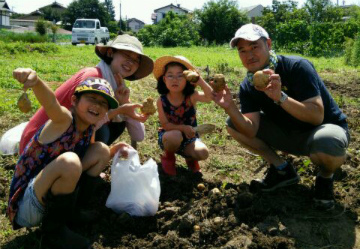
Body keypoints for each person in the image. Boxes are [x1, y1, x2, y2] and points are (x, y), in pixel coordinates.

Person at [213, 23, 350, 210]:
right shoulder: (248, 86)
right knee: (233, 123)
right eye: (242, 50)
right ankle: (282, 170)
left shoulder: (296, 67)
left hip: (320, 131)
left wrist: (280, 98)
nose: (249, 55)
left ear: (268, 44)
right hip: (289, 135)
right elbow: (250, 129)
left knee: (329, 142)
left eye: (254, 47)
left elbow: (317, 116)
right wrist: (229, 107)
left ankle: (325, 178)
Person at [8, 70, 136, 249]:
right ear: (75, 101)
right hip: (27, 206)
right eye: (91, 98)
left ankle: (72, 212)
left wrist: (113, 151)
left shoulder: (88, 129)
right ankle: (53, 233)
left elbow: (89, 158)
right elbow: (51, 103)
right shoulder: (64, 120)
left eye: (103, 103)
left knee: (100, 150)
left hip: (48, 194)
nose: (97, 106)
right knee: (70, 162)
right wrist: (36, 82)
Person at [19, 34, 154, 154]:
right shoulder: (93, 78)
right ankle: (80, 167)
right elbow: (79, 125)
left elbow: (139, 136)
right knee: (104, 126)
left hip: (61, 140)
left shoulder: (116, 86)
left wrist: (125, 104)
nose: (131, 62)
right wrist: (120, 110)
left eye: (136, 60)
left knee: (118, 123)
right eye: (126, 54)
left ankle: (84, 163)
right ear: (110, 52)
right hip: (39, 146)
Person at [153, 56, 213, 176]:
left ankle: (190, 159)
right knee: (175, 136)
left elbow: (209, 97)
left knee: (203, 153)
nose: (175, 79)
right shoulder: (161, 100)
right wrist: (183, 128)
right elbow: (165, 125)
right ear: (164, 79)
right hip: (169, 136)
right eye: (170, 75)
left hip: (189, 138)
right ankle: (169, 157)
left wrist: (200, 80)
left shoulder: (191, 96)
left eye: (180, 75)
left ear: (187, 79)